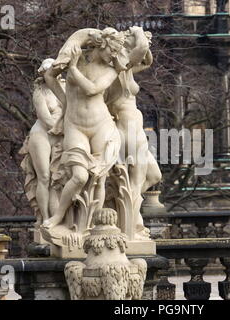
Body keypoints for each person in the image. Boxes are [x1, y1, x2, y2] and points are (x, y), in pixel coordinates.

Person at [42, 28, 125, 229]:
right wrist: (65, 102)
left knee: (99, 178)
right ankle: (59, 216)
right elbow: (50, 76)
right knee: (79, 176)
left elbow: (92, 90)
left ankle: (94, 227)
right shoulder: (76, 59)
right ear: (101, 45)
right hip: (75, 126)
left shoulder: (111, 70)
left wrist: (73, 69)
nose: (114, 56)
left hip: (101, 126)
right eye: (112, 51)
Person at [106, 27, 162, 239]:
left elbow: (147, 60)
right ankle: (131, 224)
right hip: (126, 129)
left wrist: (145, 40)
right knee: (135, 178)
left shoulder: (126, 70)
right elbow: (139, 50)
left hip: (135, 129)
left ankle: (123, 210)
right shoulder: (115, 68)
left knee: (154, 175)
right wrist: (138, 33)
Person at [20, 59, 64, 224]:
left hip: (60, 135)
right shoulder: (40, 92)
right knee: (44, 177)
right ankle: (45, 218)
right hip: (42, 135)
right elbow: (45, 118)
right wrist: (64, 131)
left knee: (58, 178)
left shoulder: (65, 88)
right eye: (48, 71)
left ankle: (58, 217)